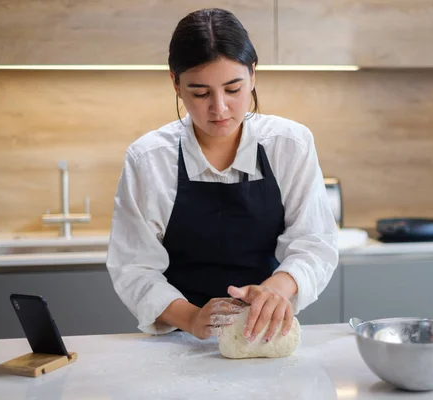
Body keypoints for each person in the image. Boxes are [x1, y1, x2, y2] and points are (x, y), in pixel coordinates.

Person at [106, 8, 338, 344]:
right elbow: (134, 268)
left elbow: (314, 243)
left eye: (233, 89)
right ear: (176, 83)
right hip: (178, 338)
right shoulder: (148, 160)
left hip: (266, 332)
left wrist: (274, 291)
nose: (219, 108)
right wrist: (192, 318)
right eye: (200, 93)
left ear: (253, 75)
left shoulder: (290, 145)